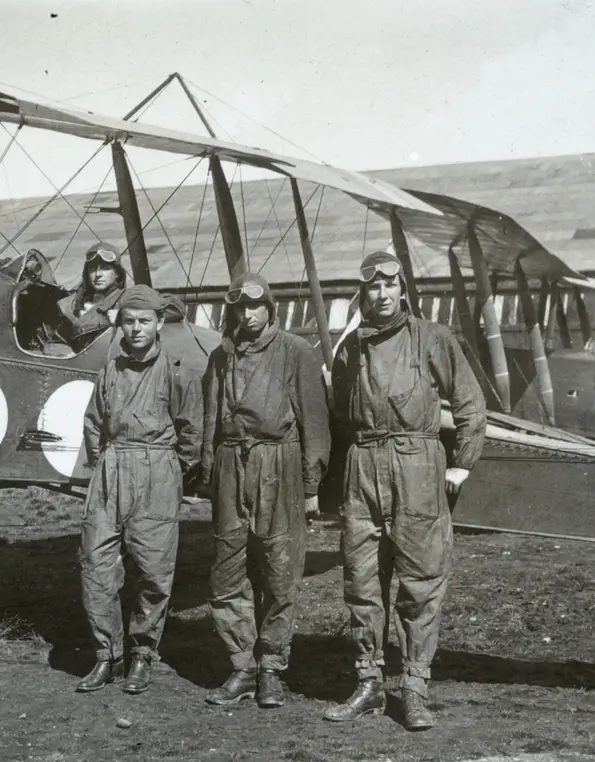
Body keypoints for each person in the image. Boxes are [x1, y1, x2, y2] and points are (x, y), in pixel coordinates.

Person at [323, 251, 486, 730]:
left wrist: (462, 465)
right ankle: (369, 683)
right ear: (363, 295)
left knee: (420, 581)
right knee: (361, 581)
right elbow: (340, 411)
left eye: (391, 285)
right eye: (373, 287)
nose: (383, 294)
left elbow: (471, 404)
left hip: (418, 464)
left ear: (403, 290)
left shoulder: (433, 337)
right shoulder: (351, 346)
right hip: (364, 465)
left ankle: (414, 688)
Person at [200, 272, 331, 708]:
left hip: (279, 465)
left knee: (280, 571)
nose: (247, 314)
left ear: (269, 307)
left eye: (255, 305)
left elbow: (314, 422)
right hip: (230, 467)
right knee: (227, 570)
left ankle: (271, 668)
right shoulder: (220, 356)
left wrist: (311, 485)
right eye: (239, 306)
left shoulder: (295, 351)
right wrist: (209, 473)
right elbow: (209, 418)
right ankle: (241, 665)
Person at [75, 284, 204, 695]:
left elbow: (191, 433)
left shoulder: (177, 371)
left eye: (143, 321)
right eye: (128, 321)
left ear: (158, 323)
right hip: (112, 469)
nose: (135, 329)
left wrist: (169, 474)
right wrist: (106, 467)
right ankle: (107, 656)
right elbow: (94, 422)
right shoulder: (110, 370)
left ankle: (143, 655)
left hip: (157, 470)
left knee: (152, 570)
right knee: (95, 565)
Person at [36, 241, 128, 352]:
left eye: (105, 268)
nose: (98, 274)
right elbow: (57, 341)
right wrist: (66, 353)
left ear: (117, 273)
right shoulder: (72, 304)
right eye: (93, 269)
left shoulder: (127, 303)